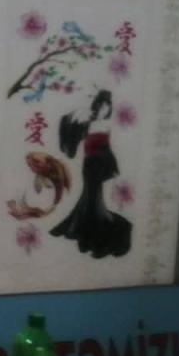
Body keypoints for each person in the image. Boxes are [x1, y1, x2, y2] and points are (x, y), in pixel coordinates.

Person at [50, 89, 132, 258]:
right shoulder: (87, 123)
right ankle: (87, 227)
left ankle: (87, 224)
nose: (104, 109)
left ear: (109, 109)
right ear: (97, 106)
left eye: (107, 107)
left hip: (101, 165)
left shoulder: (107, 126)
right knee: (90, 194)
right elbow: (74, 132)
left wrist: (112, 167)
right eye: (101, 106)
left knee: (94, 196)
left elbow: (108, 148)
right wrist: (73, 120)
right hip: (90, 165)